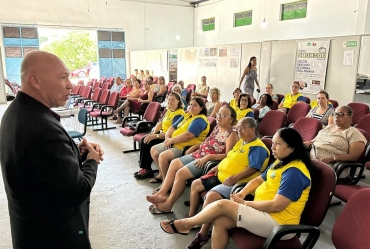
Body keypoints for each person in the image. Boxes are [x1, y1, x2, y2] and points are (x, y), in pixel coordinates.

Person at [0, 51, 104, 248]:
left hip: (29, 228)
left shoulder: (16, 112)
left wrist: (74, 152)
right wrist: (91, 160)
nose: (70, 85)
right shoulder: (42, 129)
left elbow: (44, 168)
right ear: (35, 81)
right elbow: (77, 191)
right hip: (54, 236)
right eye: (62, 77)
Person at [159, 128, 312, 249]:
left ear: (292, 148)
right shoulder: (281, 162)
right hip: (265, 212)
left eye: (277, 144)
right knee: (221, 220)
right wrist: (243, 192)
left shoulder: (295, 172)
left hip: (278, 222)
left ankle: (186, 225)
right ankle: (191, 227)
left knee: (222, 205)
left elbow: (277, 205)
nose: (273, 147)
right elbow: (259, 179)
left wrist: (245, 204)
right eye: (273, 143)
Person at [146, 106, 239, 214]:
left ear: (231, 119)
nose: (219, 117)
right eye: (218, 114)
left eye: (223, 116)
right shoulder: (218, 127)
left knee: (180, 174)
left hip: (207, 160)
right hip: (199, 153)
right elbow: (208, 141)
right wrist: (196, 146)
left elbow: (227, 155)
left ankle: (168, 205)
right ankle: (162, 193)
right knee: (174, 163)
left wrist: (208, 157)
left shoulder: (232, 134)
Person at [149, 97, 210, 186]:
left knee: (163, 156)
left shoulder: (200, 120)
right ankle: (163, 175)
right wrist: (167, 137)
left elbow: (188, 136)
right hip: (174, 142)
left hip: (183, 147)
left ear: (201, 108)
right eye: (190, 104)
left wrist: (171, 140)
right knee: (153, 150)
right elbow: (172, 127)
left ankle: (166, 184)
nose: (192, 107)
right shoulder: (188, 115)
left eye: (195, 105)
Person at [134, 92, 185, 179]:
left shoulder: (179, 114)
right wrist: (153, 133)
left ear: (178, 101)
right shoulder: (169, 110)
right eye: (169, 99)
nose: (170, 101)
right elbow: (160, 123)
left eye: (173, 99)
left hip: (169, 137)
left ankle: (146, 169)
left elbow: (172, 133)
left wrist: (154, 136)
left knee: (148, 142)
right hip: (162, 133)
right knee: (144, 139)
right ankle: (145, 168)